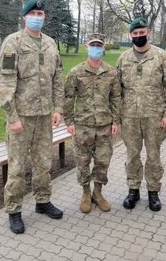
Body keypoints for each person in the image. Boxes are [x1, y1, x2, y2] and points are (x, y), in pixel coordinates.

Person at [0, 0, 65, 234]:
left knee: (43, 162)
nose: (38, 17)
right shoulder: (12, 42)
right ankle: (14, 210)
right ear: (24, 17)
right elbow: (5, 83)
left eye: (41, 13)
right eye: (33, 13)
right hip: (22, 118)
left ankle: (42, 201)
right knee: (16, 166)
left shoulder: (50, 43)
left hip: (45, 115)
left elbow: (58, 77)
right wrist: (12, 116)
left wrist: (58, 109)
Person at [117, 17, 166, 211]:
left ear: (148, 32)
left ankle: (153, 192)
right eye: (135, 33)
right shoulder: (123, 59)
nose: (139, 36)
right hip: (129, 118)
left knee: (154, 156)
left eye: (142, 32)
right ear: (130, 35)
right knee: (132, 156)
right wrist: (117, 117)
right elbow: (116, 90)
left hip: (154, 117)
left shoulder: (161, 57)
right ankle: (133, 190)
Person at [63, 33, 121, 213]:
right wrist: (69, 121)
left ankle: (98, 193)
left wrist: (116, 120)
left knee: (103, 162)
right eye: (93, 45)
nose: (96, 48)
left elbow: (116, 97)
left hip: (104, 126)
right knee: (82, 162)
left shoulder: (111, 72)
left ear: (103, 47)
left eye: (99, 45)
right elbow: (68, 98)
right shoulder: (76, 72)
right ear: (87, 47)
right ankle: (86, 193)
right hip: (83, 126)